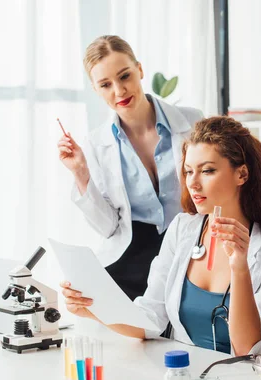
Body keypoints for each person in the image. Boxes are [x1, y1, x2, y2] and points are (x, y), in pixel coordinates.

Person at [61, 116, 261, 363]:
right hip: (185, 379)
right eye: (188, 171)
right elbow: (149, 319)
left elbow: (248, 349)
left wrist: (239, 266)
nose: (192, 183)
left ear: (242, 174)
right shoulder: (182, 229)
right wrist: (92, 308)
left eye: (207, 171)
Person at [57, 35, 203, 300]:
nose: (119, 91)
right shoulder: (96, 144)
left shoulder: (193, 122)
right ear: (96, 89)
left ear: (140, 70)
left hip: (191, 247)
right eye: (105, 84)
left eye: (125, 76)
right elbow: (108, 227)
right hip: (131, 257)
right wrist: (80, 173)